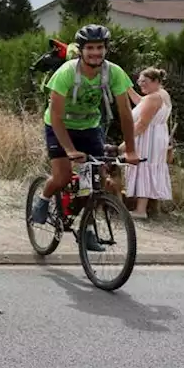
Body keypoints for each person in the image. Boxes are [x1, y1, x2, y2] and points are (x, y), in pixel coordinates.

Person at [29, 25, 140, 248]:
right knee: (62, 177)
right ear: (81, 50)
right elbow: (58, 116)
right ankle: (42, 201)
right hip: (59, 125)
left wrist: (131, 149)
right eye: (90, 48)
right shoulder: (67, 73)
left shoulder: (114, 73)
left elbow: (126, 114)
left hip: (89, 126)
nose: (95, 52)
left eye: (100, 47)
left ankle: (87, 229)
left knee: (95, 182)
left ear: (106, 49)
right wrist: (69, 150)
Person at [125, 67, 172, 219]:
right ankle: (151, 208)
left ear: (156, 81)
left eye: (144, 81)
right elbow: (140, 102)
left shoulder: (154, 98)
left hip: (148, 138)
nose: (141, 84)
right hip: (157, 137)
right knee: (151, 168)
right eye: (139, 81)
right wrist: (127, 87)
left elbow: (141, 124)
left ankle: (140, 210)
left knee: (144, 168)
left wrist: (125, 143)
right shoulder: (161, 94)